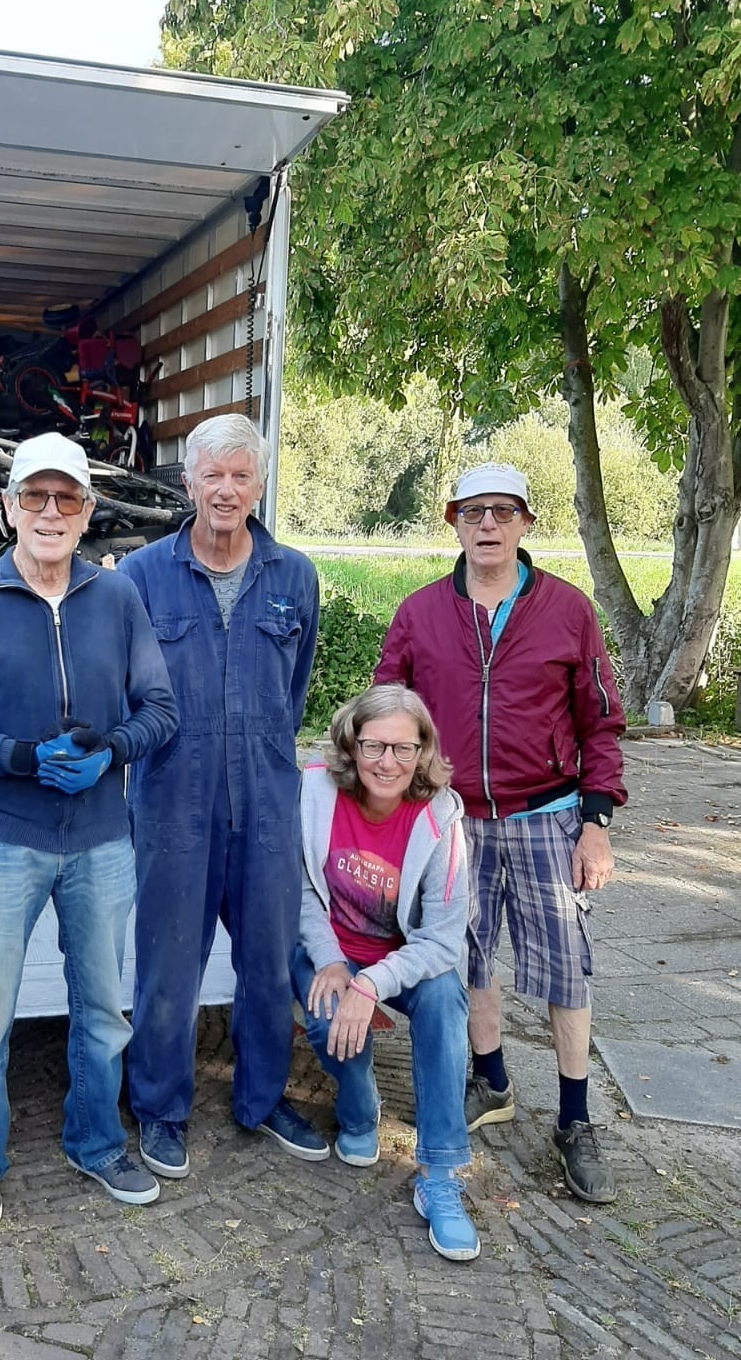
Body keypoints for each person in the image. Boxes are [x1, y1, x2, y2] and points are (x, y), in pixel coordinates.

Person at [0, 432, 179, 1234]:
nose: (52, 512)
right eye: (35, 496)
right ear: (8, 506)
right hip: (1, 840)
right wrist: (22, 757)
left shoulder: (119, 597)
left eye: (68, 498)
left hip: (101, 840)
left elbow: (160, 711)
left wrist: (109, 753)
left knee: (103, 1009)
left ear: (89, 511)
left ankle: (96, 1141)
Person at [375, 462, 627, 1203]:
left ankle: (575, 1117)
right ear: (453, 520)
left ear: (524, 524)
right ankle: (491, 1080)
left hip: (549, 816)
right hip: (455, 817)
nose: (488, 523)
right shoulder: (420, 612)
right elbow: (387, 711)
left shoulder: (568, 610)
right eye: (474, 510)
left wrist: (597, 822)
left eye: (503, 511)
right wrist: (389, 802)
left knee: (564, 966)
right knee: (466, 955)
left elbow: (602, 720)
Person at [120, 413, 326, 1179]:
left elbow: (293, 689)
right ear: (189, 484)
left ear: (260, 485)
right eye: (215, 475)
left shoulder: (296, 575)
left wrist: (259, 747)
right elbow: (128, 694)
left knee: (270, 962)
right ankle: (161, 1108)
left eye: (242, 475)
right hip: (173, 799)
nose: (228, 489)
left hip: (269, 800)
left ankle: (263, 1098)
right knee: (169, 965)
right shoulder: (142, 575)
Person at [296, 684, 479, 1261]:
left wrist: (371, 983)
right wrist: (330, 961)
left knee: (447, 1004)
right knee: (327, 1019)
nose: (388, 763)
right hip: (335, 948)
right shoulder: (314, 791)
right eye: (374, 746)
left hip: (403, 960)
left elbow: (445, 938)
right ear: (351, 746)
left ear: (424, 751)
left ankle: (441, 1176)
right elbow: (300, 886)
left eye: (405, 749)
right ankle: (358, 1105)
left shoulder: (442, 817)